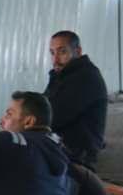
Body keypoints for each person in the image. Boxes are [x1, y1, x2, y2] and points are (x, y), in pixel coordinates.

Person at [44, 30, 107, 169]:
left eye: (62, 52)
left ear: (77, 51)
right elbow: (42, 106)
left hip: (77, 158)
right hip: (60, 152)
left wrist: (24, 121)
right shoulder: (61, 76)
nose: (55, 59)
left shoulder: (85, 78)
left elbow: (52, 116)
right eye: (52, 53)